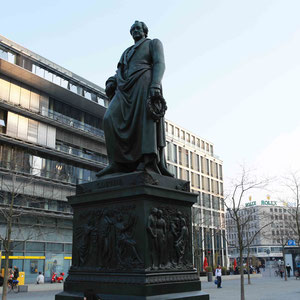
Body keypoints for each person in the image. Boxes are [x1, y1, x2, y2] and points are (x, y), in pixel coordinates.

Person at [97, 20, 172, 178]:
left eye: (139, 28)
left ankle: (146, 160)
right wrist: (111, 81)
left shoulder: (153, 43)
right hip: (124, 88)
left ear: (145, 31)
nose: (136, 31)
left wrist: (155, 85)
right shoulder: (126, 52)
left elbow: (160, 63)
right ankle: (115, 163)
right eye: (133, 29)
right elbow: (119, 71)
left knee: (144, 120)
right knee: (109, 118)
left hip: (144, 82)